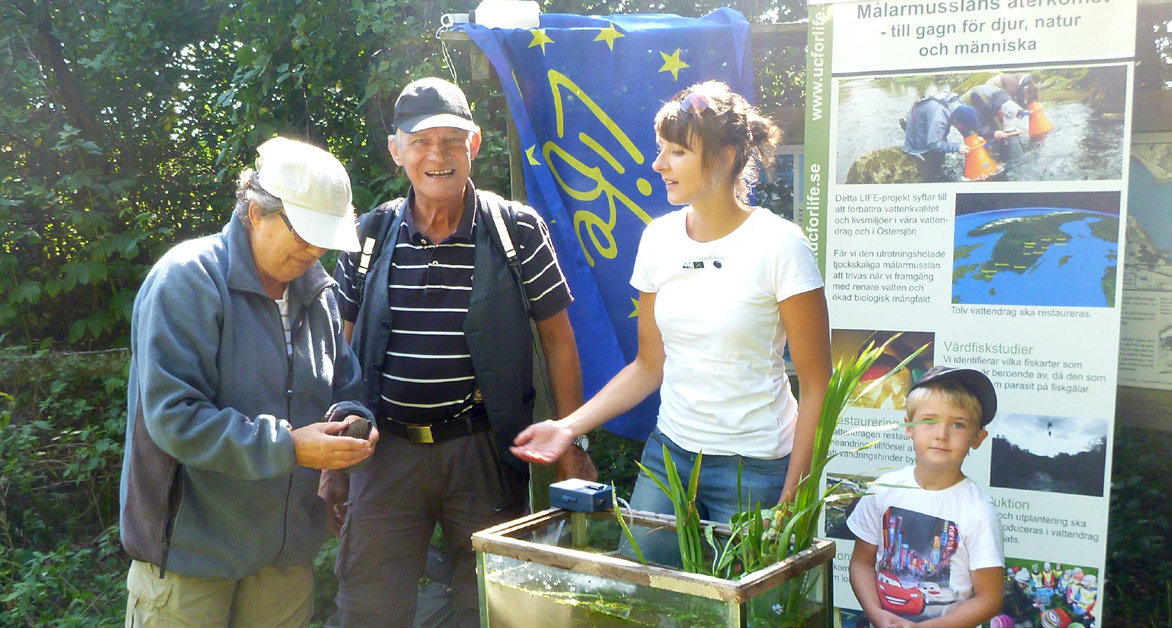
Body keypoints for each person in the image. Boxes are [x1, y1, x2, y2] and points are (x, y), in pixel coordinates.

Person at [511, 81, 832, 562]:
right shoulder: (659, 239)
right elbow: (648, 365)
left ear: (724, 156)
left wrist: (794, 495)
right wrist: (567, 427)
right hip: (670, 455)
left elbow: (817, 382)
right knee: (642, 599)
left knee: (748, 614)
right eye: (661, 149)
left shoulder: (780, 245)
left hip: (757, 468)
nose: (659, 164)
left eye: (677, 151)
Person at [322, 77, 584, 627]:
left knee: (492, 608)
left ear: (475, 144)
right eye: (420, 141)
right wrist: (333, 452)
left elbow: (558, 338)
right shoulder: (367, 235)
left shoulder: (516, 229)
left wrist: (570, 439)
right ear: (397, 151)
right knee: (369, 606)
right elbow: (340, 347)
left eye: (451, 140)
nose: (436, 155)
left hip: (482, 453)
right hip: (383, 453)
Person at [120, 136, 379, 625]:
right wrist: (291, 447)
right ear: (254, 212)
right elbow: (174, 418)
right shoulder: (189, 278)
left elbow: (345, 387)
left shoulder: (318, 295)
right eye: (302, 232)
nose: (314, 249)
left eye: (324, 236)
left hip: (283, 558)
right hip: (189, 558)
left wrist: (351, 426)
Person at [848, 366, 1004, 627]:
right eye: (929, 420)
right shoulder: (882, 491)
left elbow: (989, 598)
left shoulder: (978, 512)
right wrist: (876, 613)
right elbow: (860, 563)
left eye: (958, 424)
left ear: (978, 437)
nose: (941, 434)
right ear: (909, 426)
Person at [902, 93, 981, 180]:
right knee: (933, 159)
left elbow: (966, 127)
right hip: (917, 122)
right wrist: (957, 148)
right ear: (956, 121)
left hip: (930, 113)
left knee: (942, 150)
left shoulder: (960, 106)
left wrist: (974, 138)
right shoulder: (939, 118)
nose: (963, 129)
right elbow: (934, 143)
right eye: (963, 126)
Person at [965, 84, 1029, 161]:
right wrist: (993, 133)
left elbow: (1011, 109)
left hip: (989, 104)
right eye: (1003, 117)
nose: (1003, 120)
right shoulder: (982, 105)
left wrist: (1021, 111)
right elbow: (978, 126)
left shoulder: (1006, 98)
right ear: (999, 111)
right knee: (980, 136)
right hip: (969, 104)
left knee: (1000, 131)